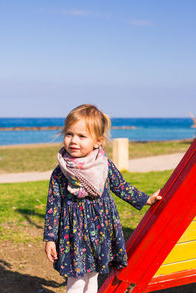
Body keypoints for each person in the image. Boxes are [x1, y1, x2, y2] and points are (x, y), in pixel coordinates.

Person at [43, 104, 161, 293]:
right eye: (69, 134)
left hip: (100, 230)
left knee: (93, 276)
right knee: (76, 278)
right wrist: (50, 238)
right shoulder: (61, 172)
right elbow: (53, 206)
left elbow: (121, 187)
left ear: (97, 141)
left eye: (82, 136)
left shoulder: (104, 165)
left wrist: (146, 199)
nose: (73, 141)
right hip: (73, 232)